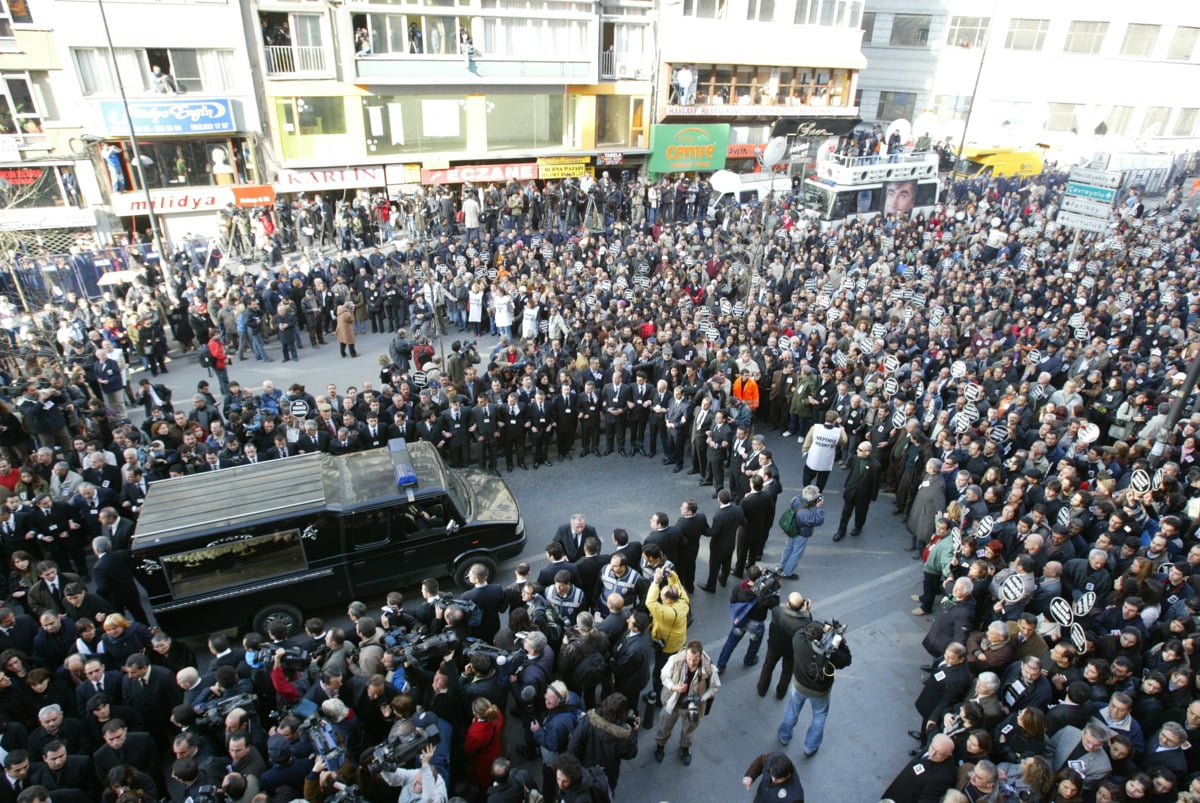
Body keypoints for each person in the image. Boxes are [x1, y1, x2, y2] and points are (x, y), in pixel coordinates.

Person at [777, 616, 852, 757]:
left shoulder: (798, 641)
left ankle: (784, 735)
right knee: (819, 716)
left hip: (799, 685)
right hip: (820, 691)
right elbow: (847, 660)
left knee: (792, 710)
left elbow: (801, 629)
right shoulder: (832, 654)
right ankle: (810, 747)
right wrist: (840, 642)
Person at [653, 639, 719, 767]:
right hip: (673, 701)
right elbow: (664, 676)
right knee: (665, 726)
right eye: (689, 659)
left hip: (693, 707)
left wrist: (702, 698)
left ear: (700, 655)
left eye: (695, 660)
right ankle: (660, 745)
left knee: (689, 730)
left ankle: (685, 748)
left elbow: (715, 686)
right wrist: (673, 687)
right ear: (686, 653)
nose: (691, 663)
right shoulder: (675, 660)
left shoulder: (708, 667)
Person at [715, 564, 778, 673]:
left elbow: (733, 601)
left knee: (730, 643)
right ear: (760, 577)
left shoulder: (739, 587)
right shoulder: (764, 593)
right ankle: (749, 659)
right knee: (754, 643)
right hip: (756, 623)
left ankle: (721, 665)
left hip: (741, 620)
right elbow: (774, 605)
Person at [880, 733, 957, 803]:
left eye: (939, 754)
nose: (932, 754)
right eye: (932, 748)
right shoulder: (936, 746)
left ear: (949, 754)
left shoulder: (942, 778)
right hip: (896, 791)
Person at [832, 440, 881, 541]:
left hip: (863, 495)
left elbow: (876, 483)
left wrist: (873, 497)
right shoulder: (855, 458)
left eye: (860, 450)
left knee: (860, 513)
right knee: (845, 513)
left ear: (867, 452)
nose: (857, 451)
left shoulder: (876, 465)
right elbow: (851, 473)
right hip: (851, 490)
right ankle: (841, 531)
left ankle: (858, 527)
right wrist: (846, 485)